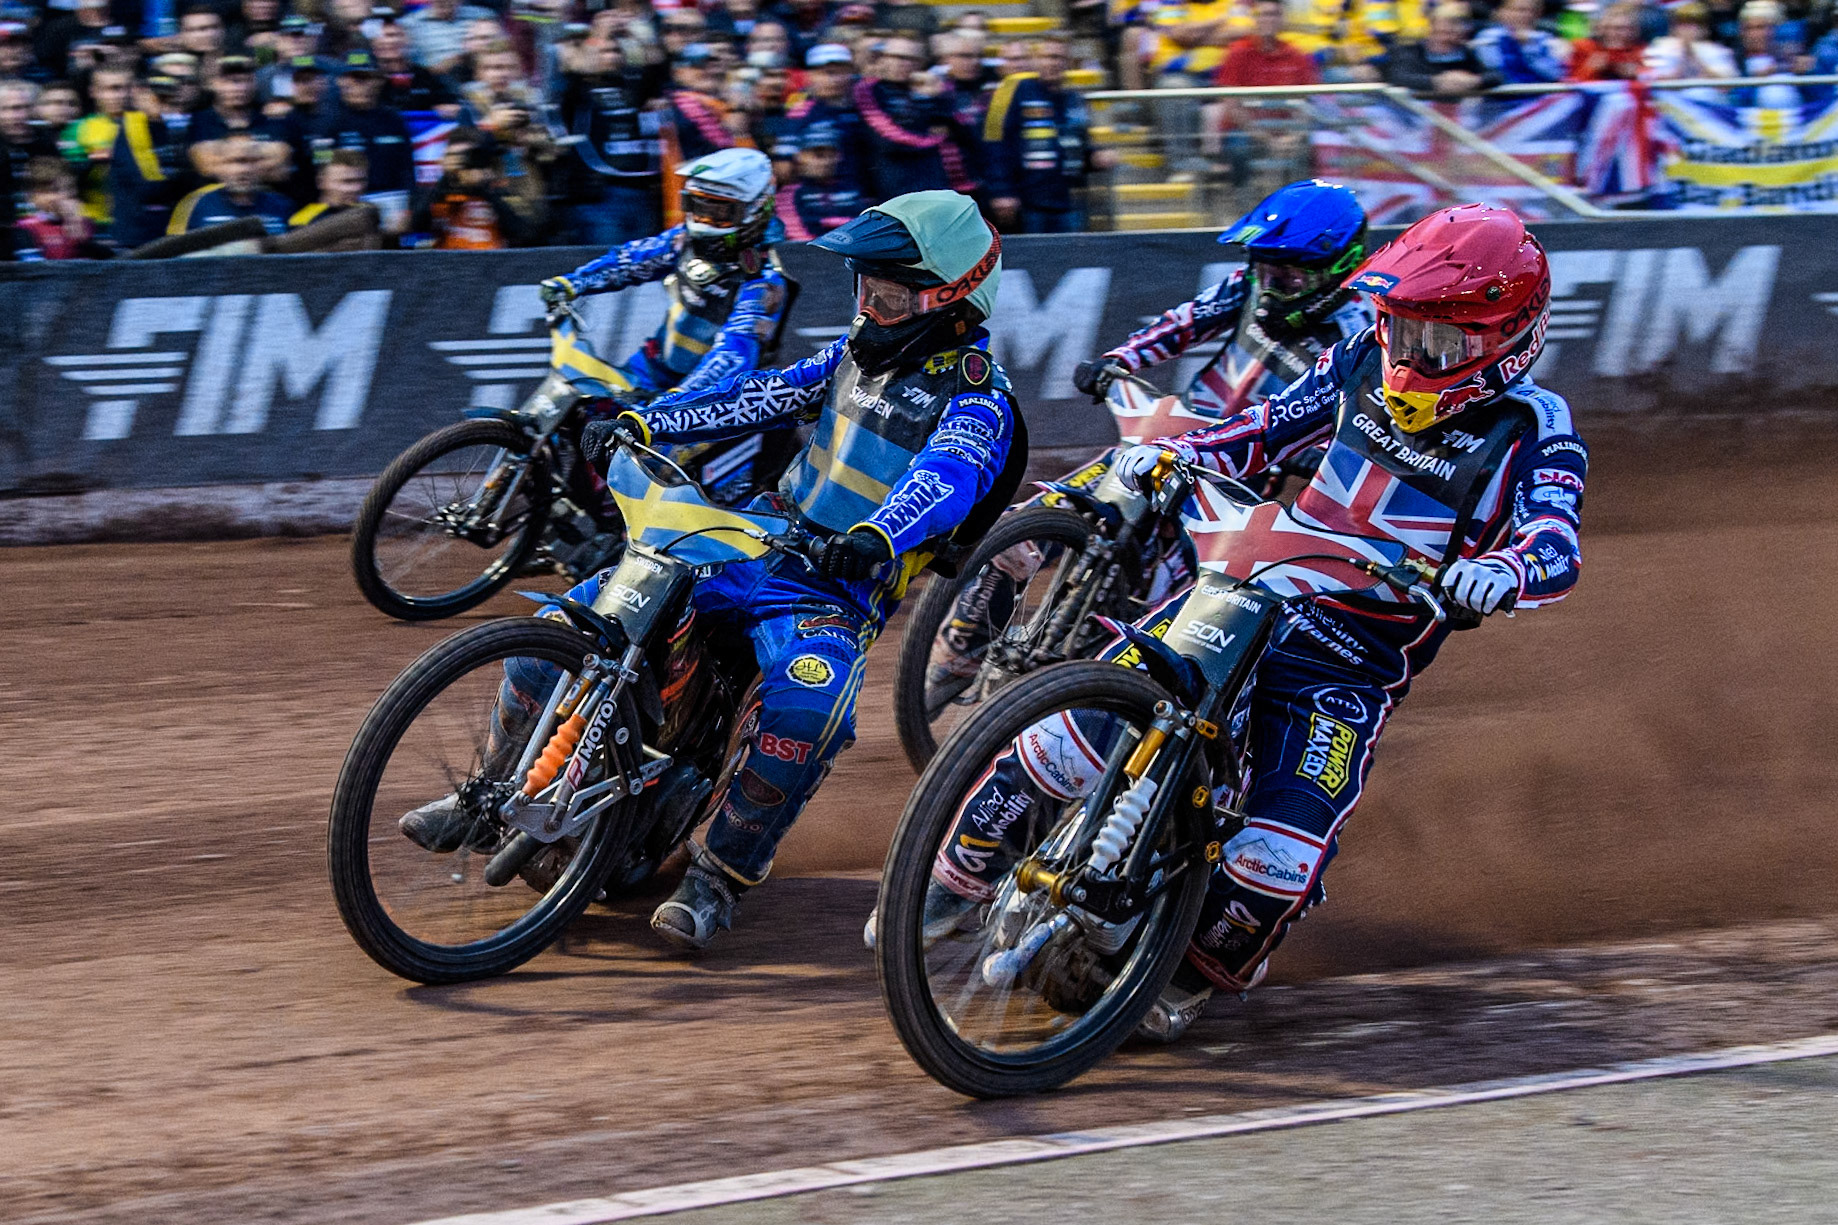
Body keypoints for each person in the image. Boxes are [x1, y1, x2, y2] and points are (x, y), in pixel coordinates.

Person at [922, 203, 1585, 1042]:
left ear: (1505, 338)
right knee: (1068, 732)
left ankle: (1187, 971)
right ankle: (948, 878)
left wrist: (1502, 570)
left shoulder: (1537, 430)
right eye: (1401, 329)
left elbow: (1555, 543)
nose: (1412, 356)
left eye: (1439, 342)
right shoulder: (1357, 360)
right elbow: (1267, 428)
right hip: (1247, 585)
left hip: (1349, 658)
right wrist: (1186, 453)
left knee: (1279, 857)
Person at [399, 190, 1022, 953]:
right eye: (866, 288)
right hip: (753, 533)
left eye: (890, 294)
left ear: (950, 300)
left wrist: (875, 536)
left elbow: (946, 478)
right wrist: (647, 419)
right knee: (566, 622)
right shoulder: (854, 350)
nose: (871, 306)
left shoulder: (978, 398)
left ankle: (717, 876)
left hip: (834, 584)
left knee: (807, 709)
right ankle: (492, 793)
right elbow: (764, 392)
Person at [532, 147, 789, 399]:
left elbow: (734, 353)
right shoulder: (685, 239)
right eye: (697, 206)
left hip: (705, 401)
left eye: (718, 212)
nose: (702, 221)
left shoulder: (763, 281)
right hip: (650, 370)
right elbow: (632, 260)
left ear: (756, 210)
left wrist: (680, 397)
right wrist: (571, 283)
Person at [981, 34, 1112, 233]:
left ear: (1068, 63)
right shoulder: (1012, 92)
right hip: (1029, 202)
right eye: (1047, 56)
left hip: (1070, 201)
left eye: (1059, 58)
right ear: (1035, 60)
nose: (1053, 63)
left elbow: (1081, 146)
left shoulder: (1075, 99)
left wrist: (1096, 156)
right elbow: (995, 144)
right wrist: (1002, 190)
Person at [166, 129, 293, 233]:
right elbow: (175, 256)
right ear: (219, 166)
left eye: (253, 161)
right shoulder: (194, 206)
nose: (244, 170)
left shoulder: (282, 206)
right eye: (234, 161)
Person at [1381, 3, 1501, 97]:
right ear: (1431, 27)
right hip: (1416, 113)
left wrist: (1474, 81)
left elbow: (1495, 76)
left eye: (1452, 30)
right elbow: (1397, 76)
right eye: (1441, 31)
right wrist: (1436, 82)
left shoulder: (1468, 54)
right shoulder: (1410, 51)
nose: (1445, 37)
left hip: (1459, 115)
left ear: (1465, 30)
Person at [772, 118, 864, 238]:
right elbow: (797, 236)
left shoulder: (851, 191)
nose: (825, 162)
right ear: (800, 157)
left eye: (830, 155)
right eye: (818, 156)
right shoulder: (788, 195)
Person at [15, 155, 110, 257]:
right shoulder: (26, 228)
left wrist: (75, 224)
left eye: (69, 188)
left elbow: (100, 259)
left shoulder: (85, 223)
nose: (62, 196)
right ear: (32, 196)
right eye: (52, 191)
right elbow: (32, 265)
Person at [1471, 0, 1569, 85]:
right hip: (1504, 97)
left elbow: (1555, 75)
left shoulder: (1545, 39)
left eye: (1530, 11)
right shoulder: (1489, 37)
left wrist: (1529, 47)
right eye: (1517, 10)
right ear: (1501, 12)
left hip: (1541, 95)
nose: (1524, 15)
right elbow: (1498, 73)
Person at [1566, 2, 1646, 81]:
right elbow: (1571, 81)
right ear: (1600, 28)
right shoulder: (1582, 46)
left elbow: (1651, 76)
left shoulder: (1639, 49)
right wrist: (1590, 68)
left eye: (1623, 29)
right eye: (1610, 28)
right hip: (1591, 90)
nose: (1615, 33)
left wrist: (1636, 72)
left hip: (1625, 90)